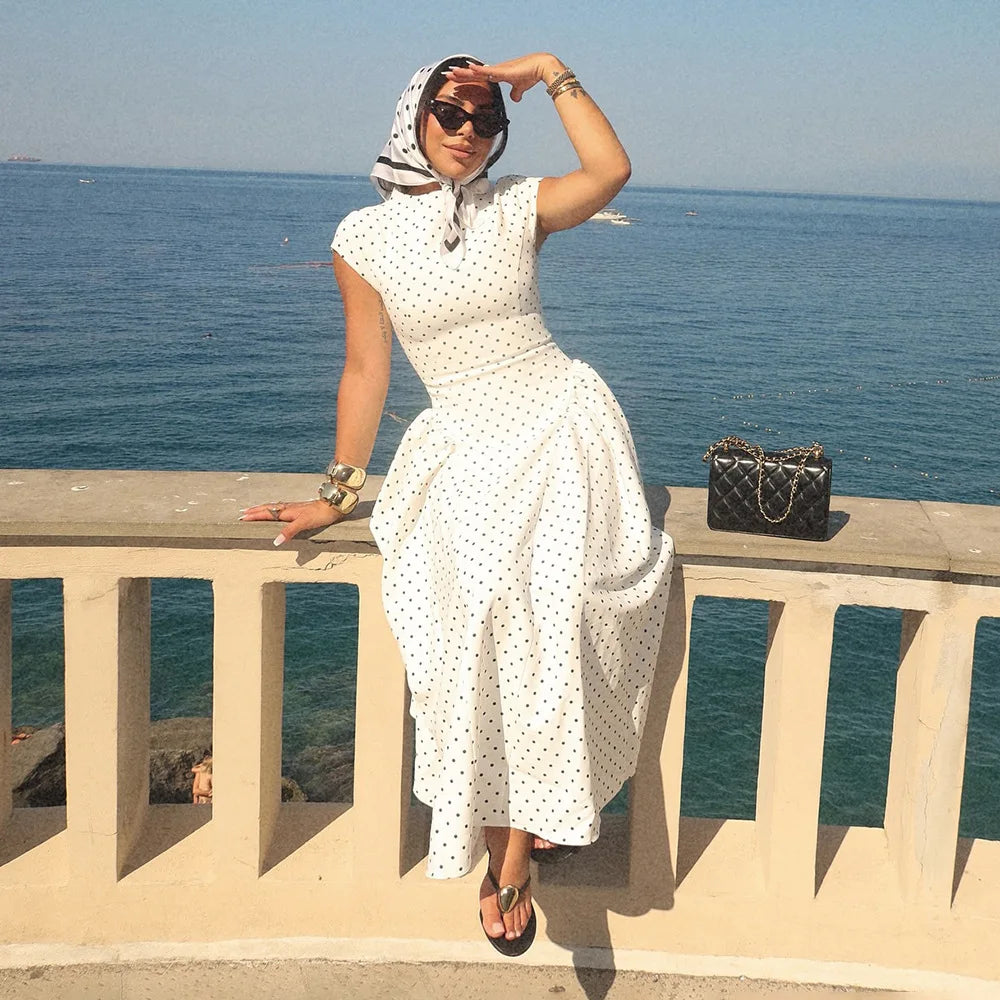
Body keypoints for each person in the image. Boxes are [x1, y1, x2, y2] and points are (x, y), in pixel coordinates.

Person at [241, 52, 673, 956]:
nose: (469, 132)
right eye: (451, 112)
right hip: (463, 440)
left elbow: (611, 171)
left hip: (558, 425)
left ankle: (514, 854)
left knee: (551, 610)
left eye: (485, 120)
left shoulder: (516, 207)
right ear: (415, 117)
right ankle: (505, 835)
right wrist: (335, 494)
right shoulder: (361, 237)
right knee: (466, 631)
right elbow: (366, 370)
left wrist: (550, 71)